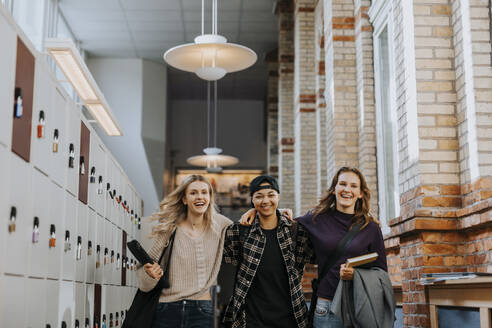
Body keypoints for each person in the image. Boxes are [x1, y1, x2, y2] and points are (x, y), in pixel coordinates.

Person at [296, 167, 389, 328]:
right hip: (327, 306)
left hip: (361, 307)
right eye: (342, 184)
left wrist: (356, 274)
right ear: (334, 189)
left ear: (360, 193)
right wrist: (255, 212)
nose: (347, 189)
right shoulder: (317, 219)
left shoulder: (371, 228)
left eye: (353, 186)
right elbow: (283, 224)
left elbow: (382, 274)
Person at [136, 174, 233, 328]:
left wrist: (278, 212)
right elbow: (143, 277)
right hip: (166, 309)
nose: (199, 197)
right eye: (193, 193)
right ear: (184, 199)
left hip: (202, 311)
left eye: (204, 192)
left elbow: (249, 231)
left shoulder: (221, 225)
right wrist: (150, 274)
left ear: (210, 197)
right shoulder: (169, 228)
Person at [222, 175, 314, 328]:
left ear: (278, 197)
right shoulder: (239, 231)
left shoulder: (295, 230)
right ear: (252, 199)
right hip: (251, 319)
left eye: (271, 195)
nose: (265, 201)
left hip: (291, 318)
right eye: (259, 196)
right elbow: (227, 266)